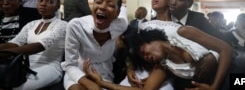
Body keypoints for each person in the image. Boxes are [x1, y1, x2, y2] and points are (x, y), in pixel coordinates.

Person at [84, 20, 233, 90]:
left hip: (228, 74)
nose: (146, 57)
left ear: (153, 39)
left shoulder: (184, 33)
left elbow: (225, 48)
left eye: (144, 52)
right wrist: (102, 82)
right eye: (143, 58)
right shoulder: (164, 66)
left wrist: (214, 87)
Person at [0, 0, 67, 90]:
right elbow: (15, 42)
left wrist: (7, 52)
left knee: (18, 89)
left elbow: (40, 45)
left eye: (50, 1)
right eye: (40, 0)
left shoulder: (62, 25)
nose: (43, 4)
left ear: (57, 6)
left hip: (51, 68)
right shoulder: (31, 24)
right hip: (28, 67)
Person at [62, 0, 128, 90]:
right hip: (78, 72)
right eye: (98, 2)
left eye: (110, 5)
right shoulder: (76, 25)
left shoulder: (121, 25)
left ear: (117, 13)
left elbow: (123, 9)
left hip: (104, 73)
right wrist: (90, 85)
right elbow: (70, 64)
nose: (102, 7)